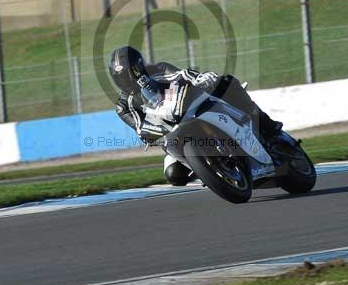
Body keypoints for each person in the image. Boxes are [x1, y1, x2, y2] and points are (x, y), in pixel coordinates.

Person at [109, 46, 283, 186]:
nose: (129, 79)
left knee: (227, 82)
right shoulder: (123, 106)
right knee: (174, 175)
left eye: (132, 72)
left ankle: (267, 125)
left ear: (139, 66)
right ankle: (209, 172)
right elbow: (139, 127)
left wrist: (200, 78)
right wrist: (154, 132)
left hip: (190, 107)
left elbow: (181, 74)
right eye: (122, 76)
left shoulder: (158, 69)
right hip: (170, 132)